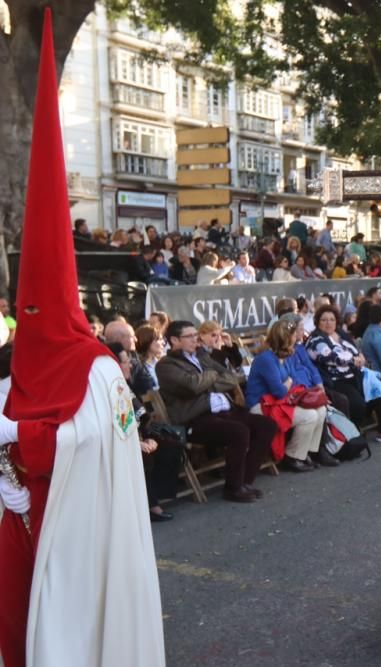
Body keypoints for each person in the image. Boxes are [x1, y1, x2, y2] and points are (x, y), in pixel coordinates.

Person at [0, 11, 165, 664]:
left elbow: (100, 440)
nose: (31, 313)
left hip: (77, 532)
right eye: (23, 305)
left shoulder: (97, 366)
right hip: (18, 521)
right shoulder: (19, 361)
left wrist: (24, 438)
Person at [157, 320, 276, 502]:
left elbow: (230, 378)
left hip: (223, 410)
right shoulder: (166, 365)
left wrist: (206, 378)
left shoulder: (201, 357)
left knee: (266, 425)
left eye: (195, 335)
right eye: (189, 336)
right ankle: (233, 488)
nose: (195, 340)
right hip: (195, 418)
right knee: (239, 432)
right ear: (174, 340)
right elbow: (192, 386)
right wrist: (211, 376)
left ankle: (245, 481)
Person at [107, 342, 181, 523]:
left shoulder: (127, 384)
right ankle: (150, 506)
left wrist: (148, 437)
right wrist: (137, 442)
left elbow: (142, 417)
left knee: (171, 443)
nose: (130, 365)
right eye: (125, 362)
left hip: (139, 434)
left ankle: (158, 495)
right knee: (143, 456)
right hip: (119, 440)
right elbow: (114, 425)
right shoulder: (108, 388)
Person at [245, 315, 331, 471]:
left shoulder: (281, 356)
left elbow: (285, 386)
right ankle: (292, 457)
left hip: (277, 402)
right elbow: (279, 391)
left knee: (321, 409)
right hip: (261, 405)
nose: (295, 341)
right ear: (284, 340)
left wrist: (289, 383)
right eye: (292, 338)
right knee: (309, 416)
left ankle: (307, 453)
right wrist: (289, 382)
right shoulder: (266, 359)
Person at [306, 305, 381, 443]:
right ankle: (353, 435)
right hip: (336, 380)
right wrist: (353, 361)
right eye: (324, 320)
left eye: (332, 319)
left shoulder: (340, 333)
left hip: (355, 375)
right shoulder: (315, 340)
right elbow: (329, 357)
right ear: (317, 322)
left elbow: (355, 350)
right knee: (357, 404)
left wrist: (360, 357)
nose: (329, 323)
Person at [104, 320, 156, 397]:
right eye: (132, 336)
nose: (136, 339)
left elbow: (149, 388)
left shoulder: (134, 356)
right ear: (120, 339)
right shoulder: (106, 362)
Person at [135, 324, 165, 390]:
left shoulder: (162, 362)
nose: (163, 343)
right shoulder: (138, 366)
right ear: (147, 341)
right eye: (159, 339)